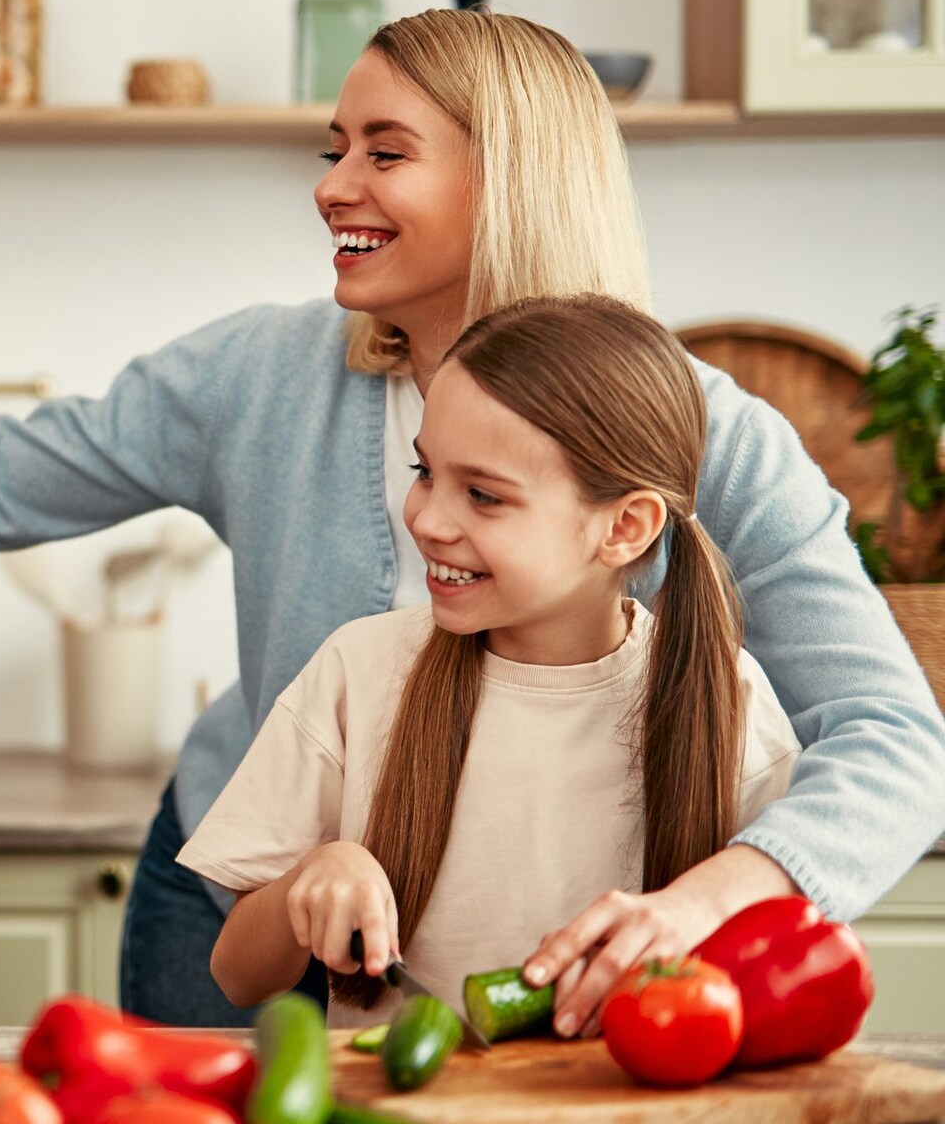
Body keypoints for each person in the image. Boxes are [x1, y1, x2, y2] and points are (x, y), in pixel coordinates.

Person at [0, 7, 945, 1033]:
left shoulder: (707, 436)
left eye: (384, 152)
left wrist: (708, 902)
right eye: (333, 149)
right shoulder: (259, 375)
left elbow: (893, 738)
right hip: (242, 909)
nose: (331, 186)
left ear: (513, 177)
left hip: (536, 945)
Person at [180, 296, 800, 1029]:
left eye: (482, 495)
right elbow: (237, 975)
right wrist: (305, 884)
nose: (427, 520)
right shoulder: (358, 670)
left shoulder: (730, 702)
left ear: (625, 526)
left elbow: (780, 980)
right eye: (424, 471)